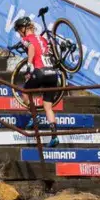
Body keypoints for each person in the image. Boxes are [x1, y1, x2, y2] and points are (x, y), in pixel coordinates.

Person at [14, 16, 63, 147]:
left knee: (25, 92)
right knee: (48, 107)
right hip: (53, 74)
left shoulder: (26, 39)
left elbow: (31, 48)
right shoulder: (42, 38)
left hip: (40, 71)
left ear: (23, 29)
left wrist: (29, 64)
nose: (18, 33)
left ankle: (34, 116)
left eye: (18, 30)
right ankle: (54, 136)